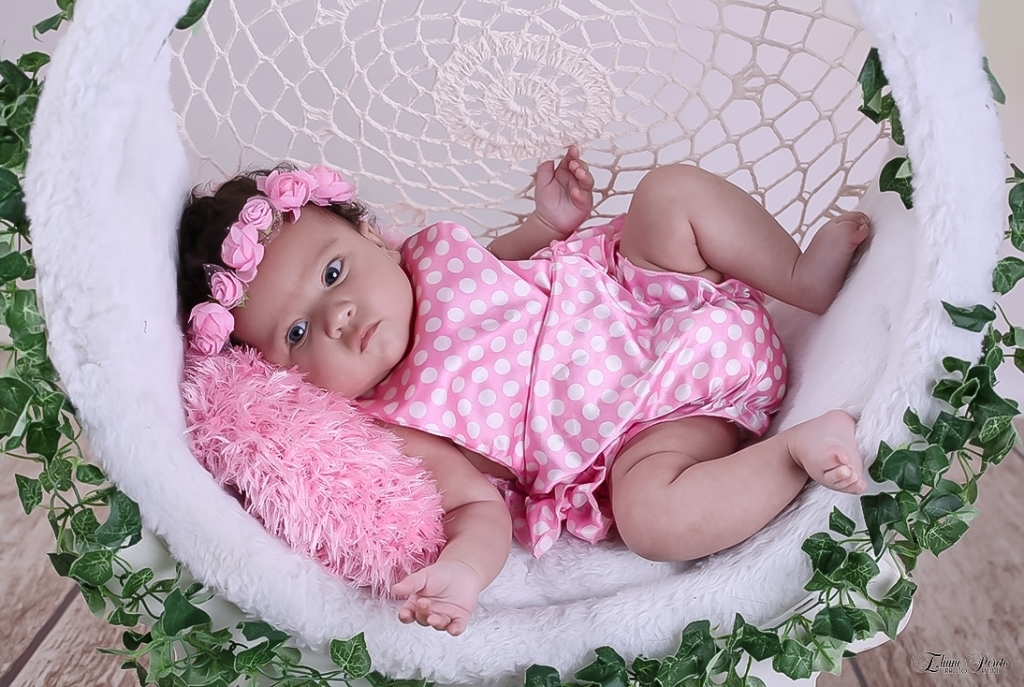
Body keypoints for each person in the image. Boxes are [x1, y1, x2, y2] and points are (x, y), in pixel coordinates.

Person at [177, 146, 870, 637]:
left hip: (651, 298)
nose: (338, 316)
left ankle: (797, 276)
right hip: (649, 428)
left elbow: (510, 264)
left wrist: (547, 224)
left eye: (334, 274)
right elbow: (472, 508)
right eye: (298, 332)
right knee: (652, 519)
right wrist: (462, 572)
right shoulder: (393, 420)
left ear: (372, 239)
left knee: (668, 193)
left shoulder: (429, 255)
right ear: (285, 379)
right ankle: (791, 453)